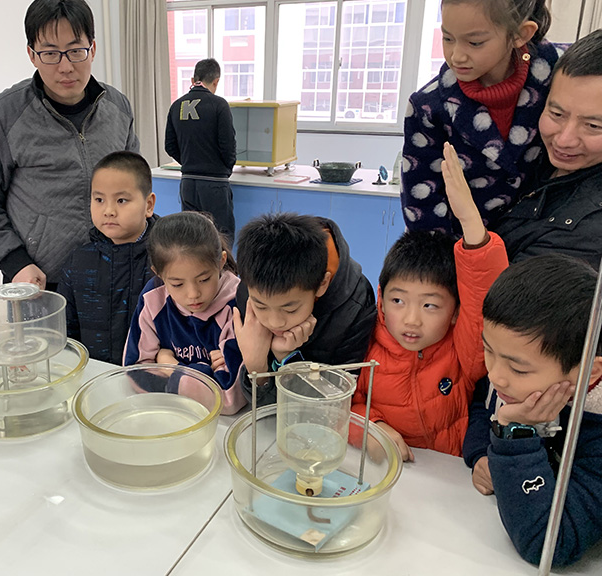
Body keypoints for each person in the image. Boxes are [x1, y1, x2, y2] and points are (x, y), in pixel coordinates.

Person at [0, 0, 139, 290]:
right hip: (40, 280)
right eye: (50, 53)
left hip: (116, 271)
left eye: (76, 51)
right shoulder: (2, 115)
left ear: (92, 49)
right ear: (32, 55)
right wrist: (15, 261)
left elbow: (134, 186)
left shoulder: (118, 107)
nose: (65, 66)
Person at [351, 143, 508, 460]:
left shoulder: (463, 353)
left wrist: (470, 222)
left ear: (455, 312)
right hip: (387, 469)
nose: (411, 319)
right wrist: (370, 427)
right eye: (398, 300)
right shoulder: (364, 342)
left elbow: (483, 298)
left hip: (448, 474)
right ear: (381, 299)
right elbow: (339, 404)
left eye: (430, 306)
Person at [463, 255, 602, 567]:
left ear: (588, 372)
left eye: (518, 369)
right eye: (488, 350)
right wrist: (481, 454)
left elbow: (551, 544)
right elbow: (483, 406)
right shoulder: (512, 378)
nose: (496, 375)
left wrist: (513, 433)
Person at [401, 0, 565, 236]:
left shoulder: (562, 74)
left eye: (475, 42)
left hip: (550, 238)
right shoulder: (428, 107)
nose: (457, 56)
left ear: (521, 34)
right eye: (447, 38)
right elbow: (422, 206)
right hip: (464, 247)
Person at [233, 213, 376, 406]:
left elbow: (334, 404)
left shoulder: (355, 305)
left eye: (290, 309)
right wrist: (256, 367)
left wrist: (287, 359)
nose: (275, 322)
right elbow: (262, 407)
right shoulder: (251, 289)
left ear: (322, 284)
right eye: (261, 306)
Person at [495, 29, 602, 267]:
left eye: (593, 126)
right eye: (556, 114)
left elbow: (505, 289)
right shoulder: (530, 151)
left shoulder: (589, 231)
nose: (564, 140)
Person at [123, 212, 245, 414]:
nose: (193, 294)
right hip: (169, 415)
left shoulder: (236, 304)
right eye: (177, 284)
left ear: (221, 262)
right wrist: (207, 372)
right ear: (159, 274)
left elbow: (229, 397)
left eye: (204, 280)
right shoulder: (153, 298)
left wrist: (170, 365)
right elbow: (135, 372)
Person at [57, 151, 156, 364]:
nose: (109, 210)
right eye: (99, 199)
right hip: (94, 375)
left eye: (121, 200)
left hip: (152, 376)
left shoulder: (165, 261)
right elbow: (65, 334)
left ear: (148, 205)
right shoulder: (78, 262)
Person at [165, 58, 237, 242]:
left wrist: (189, 162)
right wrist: (225, 168)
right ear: (216, 81)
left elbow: (169, 145)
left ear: (193, 79)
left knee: (192, 238)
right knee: (220, 238)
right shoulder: (219, 105)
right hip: (215, 183)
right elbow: (228, 145)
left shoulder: (176, 106)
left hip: (188, 183)